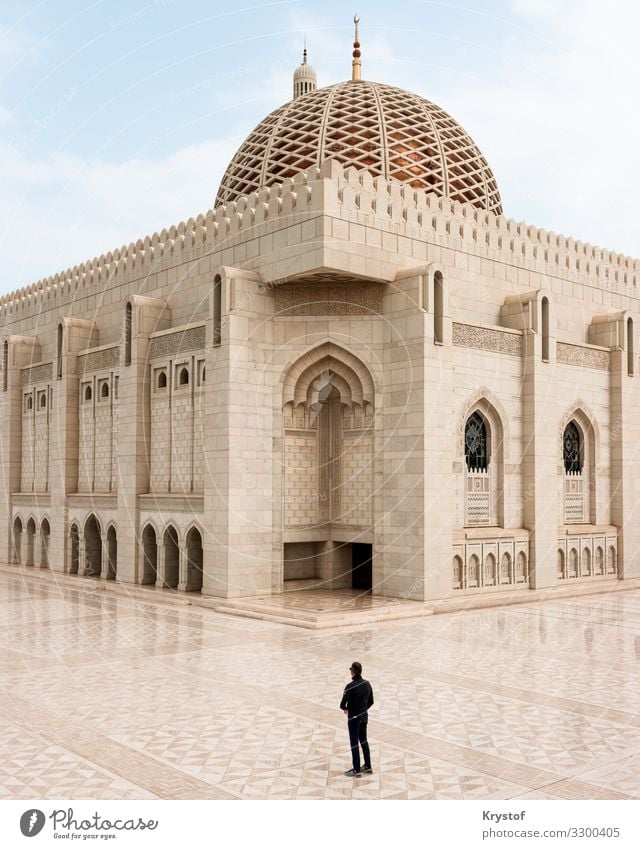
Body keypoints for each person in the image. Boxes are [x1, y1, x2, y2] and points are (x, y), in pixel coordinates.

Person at [340, 661, 374, 776]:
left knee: (354, 743)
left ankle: (356, 769)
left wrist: (347, 709)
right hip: (364, 716)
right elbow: (371, 701)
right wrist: (363, 709)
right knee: (364, 740)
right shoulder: (367, 684)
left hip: (354, 718)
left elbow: (342, 705)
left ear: (353, 672)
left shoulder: (349, 687)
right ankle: (368, 765)